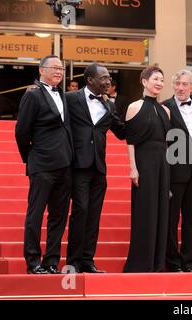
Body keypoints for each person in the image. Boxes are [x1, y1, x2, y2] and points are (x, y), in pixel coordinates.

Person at [15, 55, 73, 274]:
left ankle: (51, 261)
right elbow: (21, 131)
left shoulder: (64, 95)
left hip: (65, 165)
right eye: (54, 68)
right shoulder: (33, 95)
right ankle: (33, 262)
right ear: (41, 70)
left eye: (61, 68)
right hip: (42, 164)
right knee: (36, 214)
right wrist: (30, 157)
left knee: (58, 216)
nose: (59, 71)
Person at [65, 63, 125, 273]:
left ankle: (88, 260)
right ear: (90, 80)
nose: (108, 81)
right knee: (80, 211)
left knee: (94, 215)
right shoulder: (70, 99)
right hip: (78, 165)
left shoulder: (109, 105)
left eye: (109, 78)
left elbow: (122, 132)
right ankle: (73, 261)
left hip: (99, 167)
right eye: (104, 78)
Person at [123, 66, 171, 272]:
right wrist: (133, 168)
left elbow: (167, 143)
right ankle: (141, 263)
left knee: (161, 212)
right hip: (144, 163)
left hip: (163, 164)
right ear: (144, 81)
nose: (159, 83)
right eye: (155, 79)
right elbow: (131, 141)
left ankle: (158, 263)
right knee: (145, 211)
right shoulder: (134, 107)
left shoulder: (166, 110)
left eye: (162, 79)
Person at [163, 70, 192, 272]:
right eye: (177, 83)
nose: (180, 88)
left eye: (185, 84)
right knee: (171, 220)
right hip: (173, 172)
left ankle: (188, 262)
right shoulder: (164, 107)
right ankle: (173, 262)